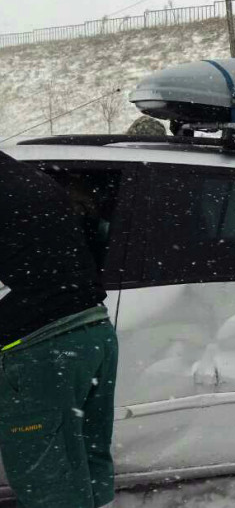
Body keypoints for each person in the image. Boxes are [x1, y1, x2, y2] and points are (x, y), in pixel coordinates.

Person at [0, 150, 119, 508]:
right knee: (86, 456)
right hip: (93, 332)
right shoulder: (26, 175)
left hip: (40, 351)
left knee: (48, 485)